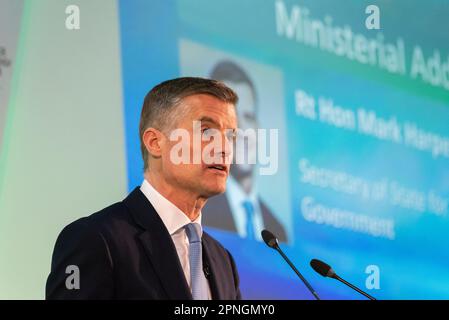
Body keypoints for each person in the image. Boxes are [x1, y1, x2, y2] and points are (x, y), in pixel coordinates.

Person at [46, 77, 241, 299]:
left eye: (230, 136)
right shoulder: (95, 239)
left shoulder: (223, 261)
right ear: (155, 143)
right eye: (207, 132)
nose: (224, 148)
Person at [203, 61, 288, 242]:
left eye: (249, 117)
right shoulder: (199, 216)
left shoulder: (279, 232)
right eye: (230, 120)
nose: (241, 131)